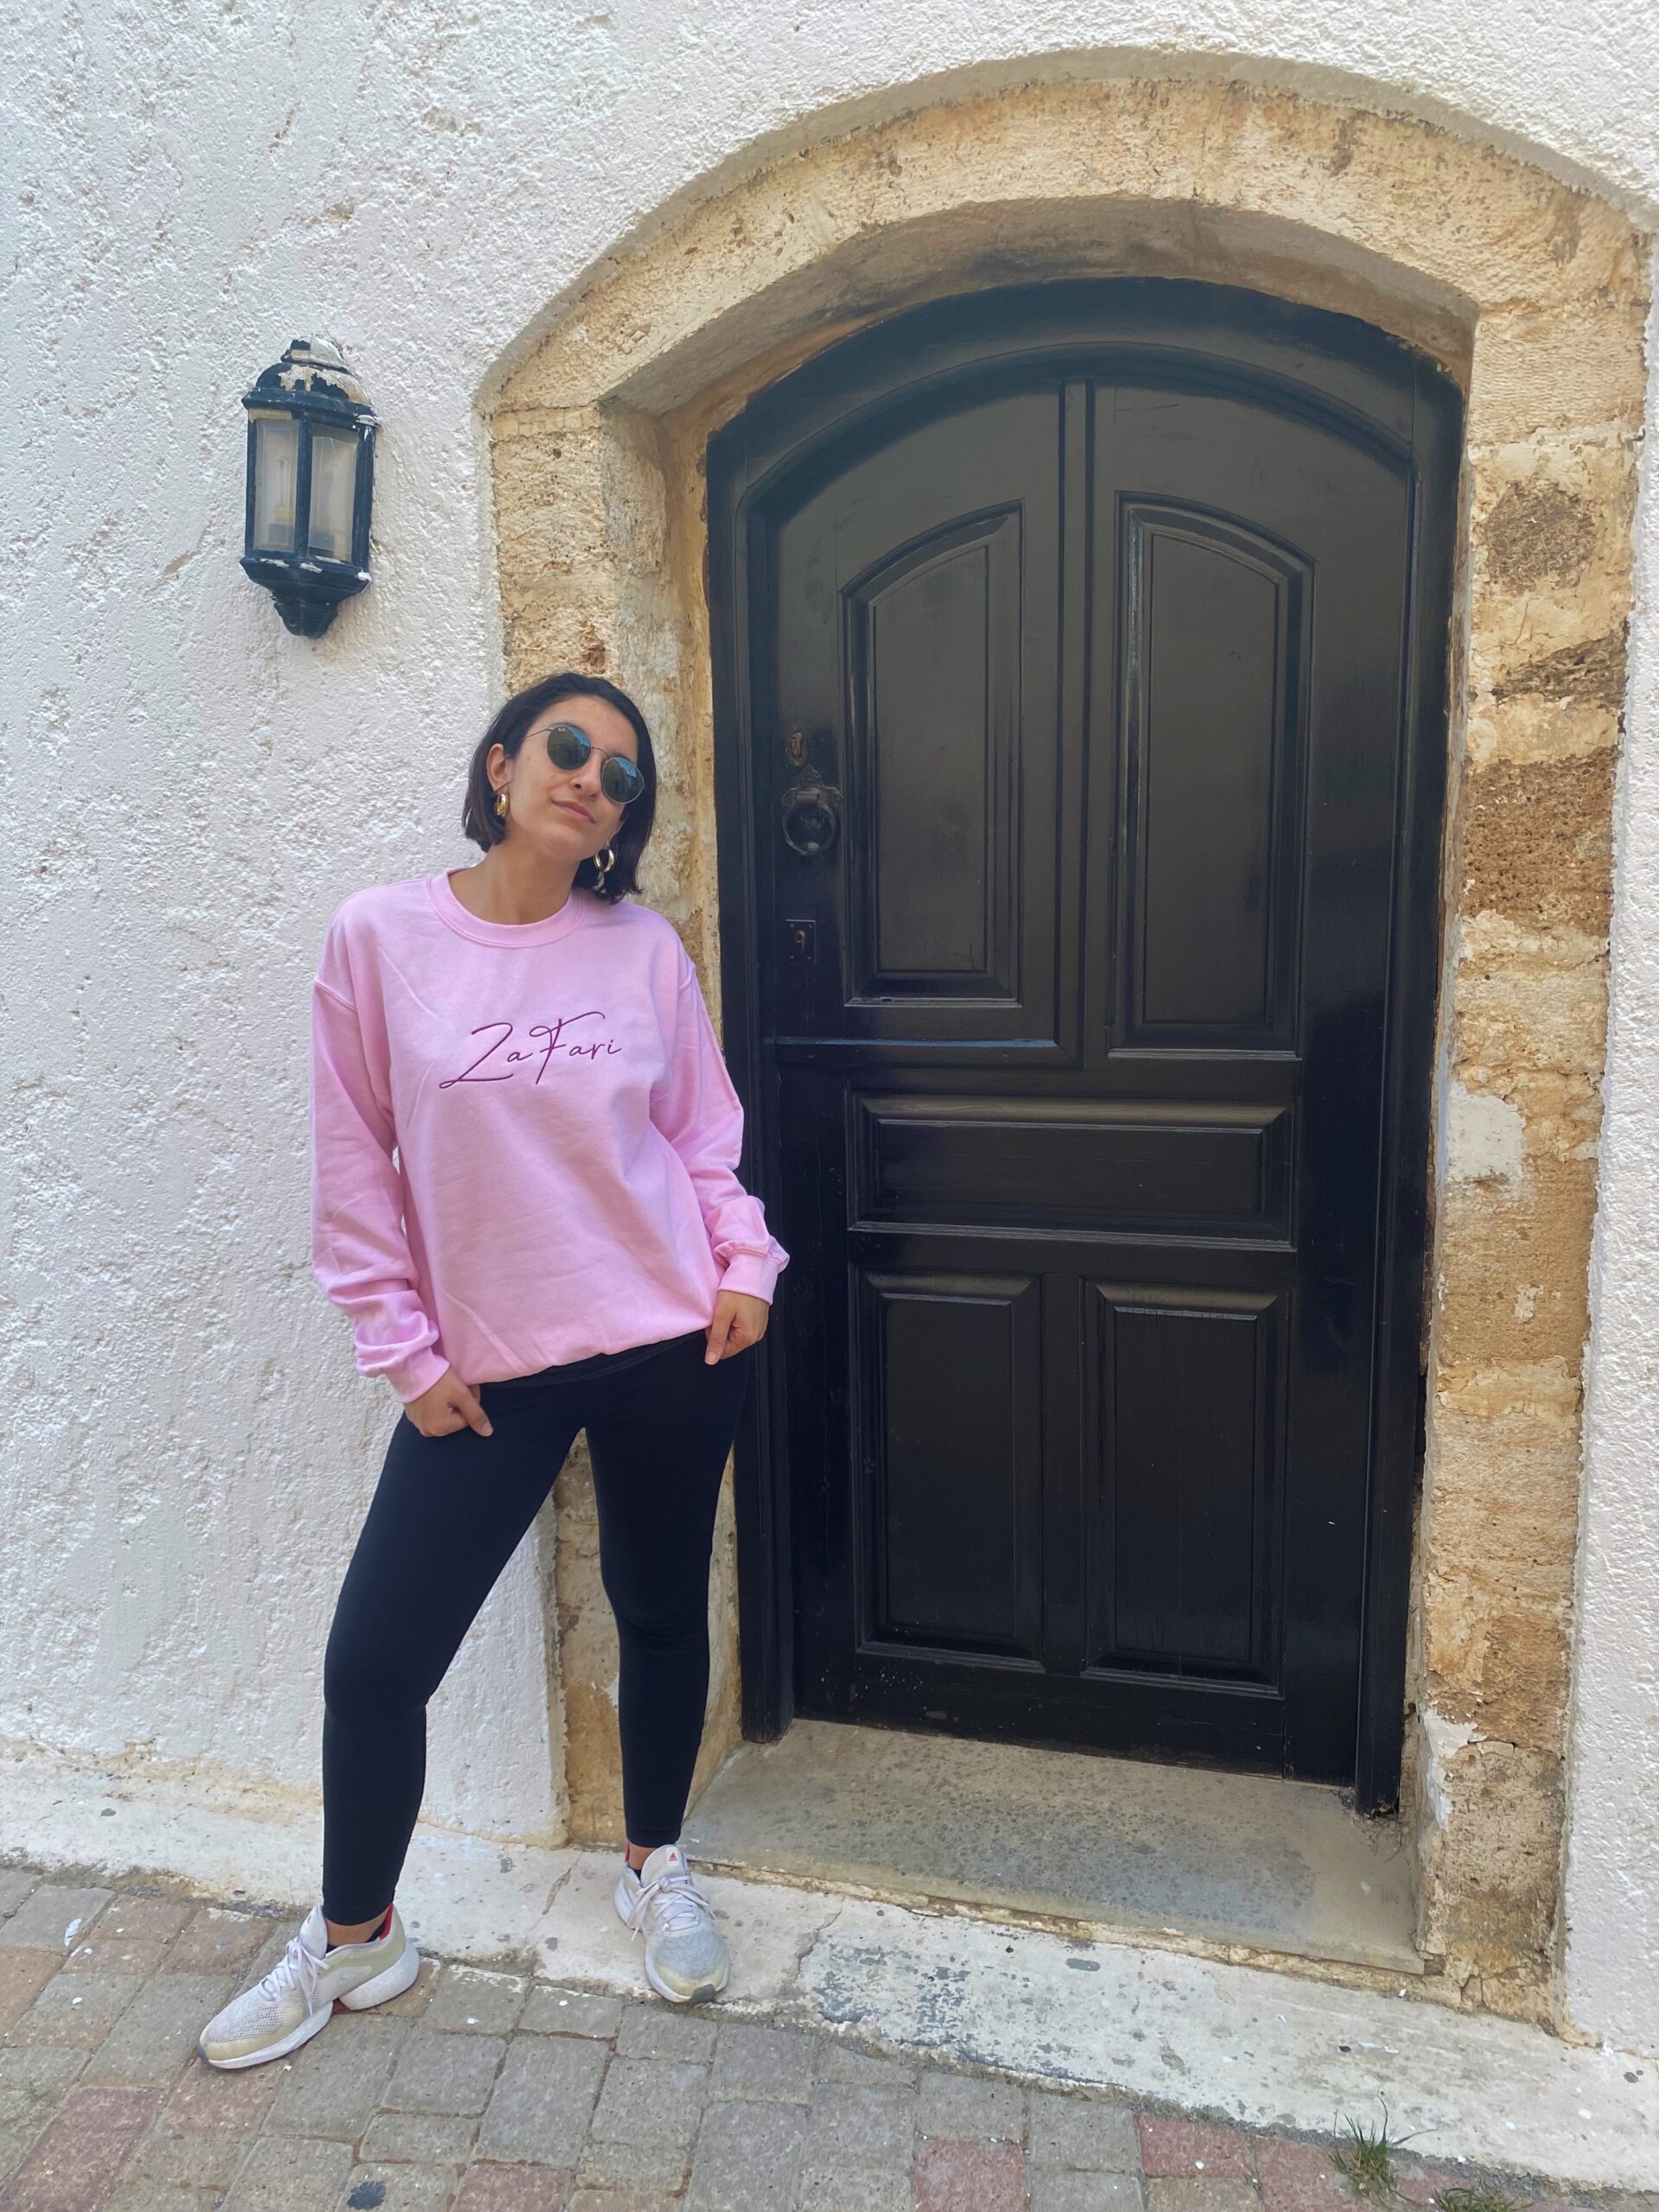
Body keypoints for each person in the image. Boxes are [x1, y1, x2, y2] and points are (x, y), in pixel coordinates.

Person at [197, 671, 787, 2069]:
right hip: (486, 1372)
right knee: (376, 1659)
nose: (592, 778)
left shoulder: (642, 949)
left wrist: (746, 1266)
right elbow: (355, 1163)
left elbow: (702, 1137)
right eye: (569, 748)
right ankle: (358, 1938)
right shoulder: (380, 938)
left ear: (625, 818)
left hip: (670, 1341)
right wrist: (401, 1351)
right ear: (503, 765)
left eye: (622, 773)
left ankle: (653, 1861)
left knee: (658, 1607)